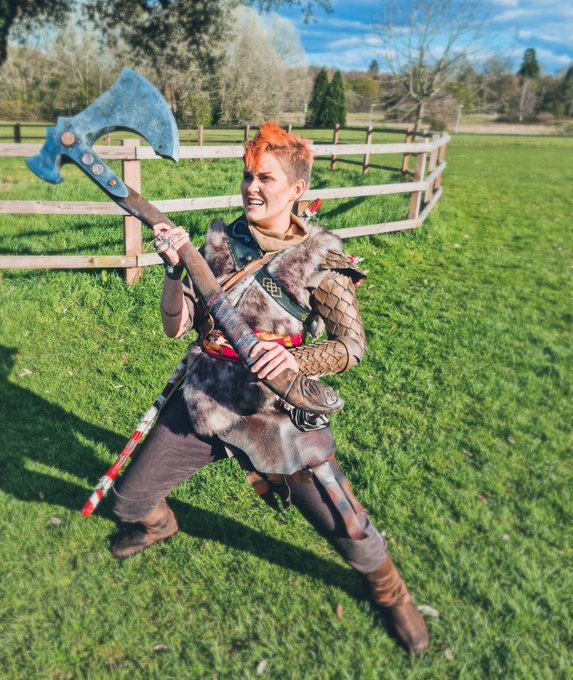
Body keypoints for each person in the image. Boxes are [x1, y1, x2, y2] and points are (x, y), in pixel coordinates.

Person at [110, 122, 428, 654]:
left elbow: (350, 347)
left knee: (348, 525)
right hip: (206, 396)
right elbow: (176, 327)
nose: (252, 187)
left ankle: (390, 592)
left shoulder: (321, 261)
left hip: (277, 412)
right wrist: (173, 272)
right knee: (129, 501)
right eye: (247, 176)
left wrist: (292, 357)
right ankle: (160, 526)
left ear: (297, 189)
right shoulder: (217, 246)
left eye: (266, 178)